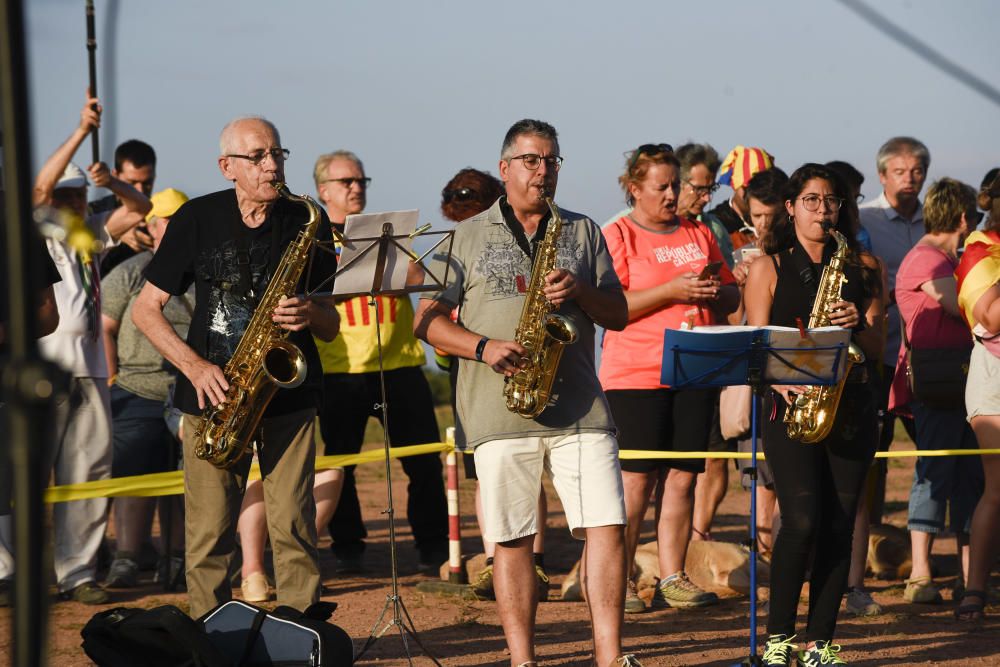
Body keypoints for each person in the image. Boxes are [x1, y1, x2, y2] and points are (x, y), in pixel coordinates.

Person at [415, 119, 639, 667]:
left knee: (608, 526)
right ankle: (523, 660)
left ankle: (609, 657)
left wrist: (581, 290)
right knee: (511, 538)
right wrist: (483, 347)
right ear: (506, 168)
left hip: (581, 406)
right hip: (498, 407)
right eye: (533, 161)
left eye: (553, 161)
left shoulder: (582, 230)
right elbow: (427, 321)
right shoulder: (463, 235)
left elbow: (619, 313)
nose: (544, 172)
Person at [132, 116, 340, 617]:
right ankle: (211, 632)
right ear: (228, 167)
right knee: (208, 534)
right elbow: (145, 309)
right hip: (213, 395)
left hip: (287, 391)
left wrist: (309, 312)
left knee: (293, 523)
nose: (272, 166)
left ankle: (300, 629)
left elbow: (331, 323)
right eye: (259, 157)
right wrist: (196, 367)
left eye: (278, 154)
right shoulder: (195, 219)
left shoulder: (306, 219)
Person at [10, 92, 151, 605]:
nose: (72, 203)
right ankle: (15, 572)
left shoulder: (89, 235)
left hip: (90, 370)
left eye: (77, 197)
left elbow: (142, 208)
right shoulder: (36, 234)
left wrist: (108, 181)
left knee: (89, 472)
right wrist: (78, 129)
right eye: (65, 197)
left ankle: (78, 572)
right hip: (42, 367)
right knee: (26, 471)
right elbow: (38, 188)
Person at [745, 164, 883, 666]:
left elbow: (876, 342)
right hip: (791, 409)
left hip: (852, 403)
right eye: (811, 200)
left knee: (839, 525)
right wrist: (780, 380)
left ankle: (820, 642)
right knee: (801, 521)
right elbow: (754, 347)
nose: (822, 210)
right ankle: (779, 639)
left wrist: (856, 327)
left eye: (831, 201)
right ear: (790, 207)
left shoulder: (863, 265)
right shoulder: (767, 268)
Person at [601, 144, 737, 615]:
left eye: (675, 184)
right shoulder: (616, 234)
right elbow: (610, 307)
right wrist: (671, 291)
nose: (671, 194)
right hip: (635, 374)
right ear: (634, 189)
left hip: (696, 371)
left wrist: (719, 287)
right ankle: (616, 580)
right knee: (636, 483)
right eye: (661, 186)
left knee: (682, 479)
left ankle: (671, 576)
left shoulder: (699, 232)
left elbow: (732, 291)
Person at [307, 149, 448, 575]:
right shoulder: (313, 239)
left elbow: (419, 279)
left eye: (361, 181)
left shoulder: (386, 234)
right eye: (347, 182)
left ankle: (433, 546)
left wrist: (387, 270)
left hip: (400, 365)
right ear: (323, 190)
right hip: (340, 370)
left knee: (423, 461)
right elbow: (318, 293)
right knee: (340, 465)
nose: (356, 188)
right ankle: (348, 548)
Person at [434, 168, 550, 601]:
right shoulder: (456, 245)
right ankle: (492, 561)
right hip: (473, 366)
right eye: (458, 214)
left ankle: (532, 563)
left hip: (520, 359)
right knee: (484, 472)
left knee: (527, 466)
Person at [887, 178, 983, 606]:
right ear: (962, 217)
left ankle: (968, 573)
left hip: (961, 382)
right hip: (941, 383)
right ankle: (921, 574)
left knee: (970, 479)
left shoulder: (936, 257)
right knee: (934, 474)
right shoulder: (926, 260)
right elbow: (961, 306)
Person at [101, 188, 192, 589]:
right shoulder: (129, 271)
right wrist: (112, 378)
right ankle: (126, 557)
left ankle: (177, 557)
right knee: (135, 476)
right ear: (151, 226)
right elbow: (106, 327)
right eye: (164, 220)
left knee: (187, 479)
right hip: (136, 389)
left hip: (191, 390)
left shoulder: (202, 273)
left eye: (178, 220)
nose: (170, 227)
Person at [859, 137, 929, 523]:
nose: (910, 179)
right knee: (873, 452)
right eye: (900, 171)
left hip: (926, 354)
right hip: (880, 350)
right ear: (882, 175)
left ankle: (927, 534)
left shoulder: (936, 219)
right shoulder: (865, 220)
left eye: (917, 171)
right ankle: (869, 535)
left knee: (933, 447)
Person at [730, 166, 789, 562]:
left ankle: (786, 549)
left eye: (770, 215)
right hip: (754, 373)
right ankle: (763, 550)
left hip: (789, 365)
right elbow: (736, 322)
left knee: (789, 471)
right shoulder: (739, 246)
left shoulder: (796, 250)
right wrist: (741, 286)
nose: (762, 223)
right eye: (756, 215)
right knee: (759, 474)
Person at [953, 174, 1000, 622]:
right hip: (994, 377)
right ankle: (975, 590)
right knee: (998, 488)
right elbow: (992, 316)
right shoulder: (981, 248)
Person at [92, 139, 158, 275]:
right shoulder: (94, 212)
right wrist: (114, 234)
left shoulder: (163, 214)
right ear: (115, 175)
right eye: (132, 183)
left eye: (147, 183)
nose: (140, 190)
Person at [707, 145, 775, 252]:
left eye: (762, 188)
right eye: (748, 189)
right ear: (734, 185)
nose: (754, 195)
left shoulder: (783, 219)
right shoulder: (716, 223)